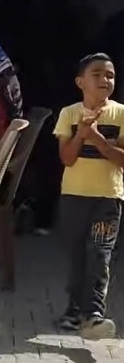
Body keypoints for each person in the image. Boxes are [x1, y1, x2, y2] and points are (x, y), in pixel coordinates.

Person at [54, 53, 124, 338]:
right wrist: (81, 134)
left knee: (99, 253)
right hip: (73, 197)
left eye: (110, 75)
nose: (105, 80)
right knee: (77, 257)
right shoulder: (69, 114)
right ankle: (74, 311)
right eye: (97, 74)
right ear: (80, 82)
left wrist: (96, 137)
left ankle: (94, 314)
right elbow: (67, 159)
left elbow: (121, 159)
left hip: (108, 198)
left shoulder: (120, 114)